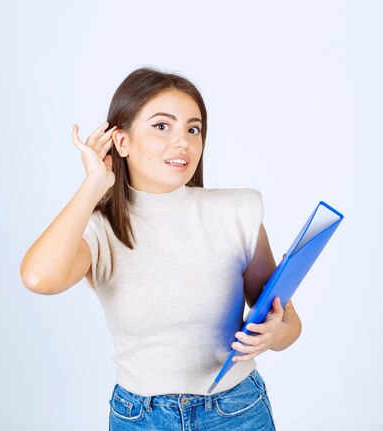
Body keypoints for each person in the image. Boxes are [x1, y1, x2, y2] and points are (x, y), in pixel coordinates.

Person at [20, 67, 302, 430]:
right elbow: (39, 278)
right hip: (141, 418)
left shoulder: (237, 211)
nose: (182, 141)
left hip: (237, 410)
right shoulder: (100, 229)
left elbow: (286, 317)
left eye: (193, 129)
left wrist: (277, 334)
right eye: (161, 126)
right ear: (121, 142)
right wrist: (94, 185)